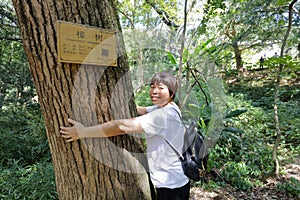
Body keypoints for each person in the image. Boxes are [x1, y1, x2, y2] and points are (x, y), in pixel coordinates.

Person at [60, 71, 190, 200]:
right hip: (173, 180)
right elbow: (141, 110)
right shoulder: (168, 107)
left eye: (160, 88)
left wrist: (83, 132)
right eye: (152, 87)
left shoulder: (163, 116)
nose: (154, 91)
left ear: (171, 93)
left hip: (172, 186)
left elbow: (120, 127)